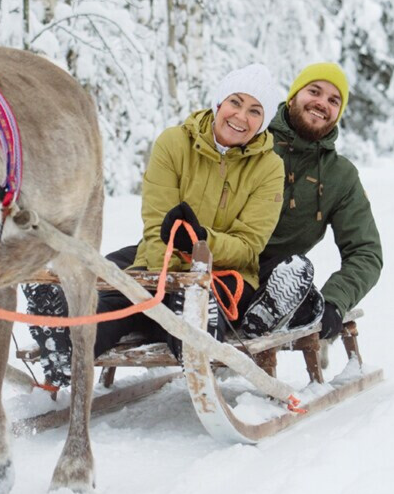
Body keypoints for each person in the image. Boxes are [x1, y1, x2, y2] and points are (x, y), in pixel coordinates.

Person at [25, 63, 288, 388]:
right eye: (235, 102)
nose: (241, 116)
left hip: (221, 274)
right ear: (219, 102)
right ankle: (64, 341)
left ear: (263, 122)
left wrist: (201, 242)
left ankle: (192, 322)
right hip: (157, 261)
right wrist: (172, 274)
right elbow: (155, 224)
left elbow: (249, 245)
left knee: (194, 314)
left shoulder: (270, 167)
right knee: (120, 305)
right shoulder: (175, 143)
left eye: (255, 111)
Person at [239, 61, 384, 345]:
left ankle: (291, 307)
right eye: (314, 91)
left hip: (279, 280)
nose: (322, 103)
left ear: (338, 114)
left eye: (333, 100)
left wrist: (334, 300)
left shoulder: (339, 175)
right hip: (224, 262)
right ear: (293, 96)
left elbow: (366, 251)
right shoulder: (251, 137)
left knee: (294, 271)